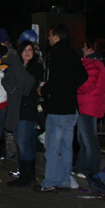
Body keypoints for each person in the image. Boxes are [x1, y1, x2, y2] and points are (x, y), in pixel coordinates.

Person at [37, 24, 88, 192]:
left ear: (56, 37)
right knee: (67, 147)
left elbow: (56, 80)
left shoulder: (57, 54)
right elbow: (83, 76)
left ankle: (50, 181)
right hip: (71, 107)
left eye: (50, 35)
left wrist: (45, 90)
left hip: (58, 107)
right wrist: (70, 87)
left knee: (52, 147)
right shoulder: (73, 54)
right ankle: (64, 179)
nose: (48, 38)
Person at [2, 40, 43, 186]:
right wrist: (15, 89)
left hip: (28, 110)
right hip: (16, 108)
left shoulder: (36, 67)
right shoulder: (16, 66)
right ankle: (27, 175)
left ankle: (26, 176)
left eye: (30, 50)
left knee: (24, 143)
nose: (27, 52)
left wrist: (18, 84)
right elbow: (6, 81)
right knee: (24, 143)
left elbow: (27, 85)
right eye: (25, 49)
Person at [74, 39, 105, 178]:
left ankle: (90, 168)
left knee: (88, 139)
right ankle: (82, 167)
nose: (82, 50)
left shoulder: (93, 64)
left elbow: (87, 85)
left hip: (88, 105)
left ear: (90, 49)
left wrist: (73, 87)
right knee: (84, 139)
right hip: (88, 104)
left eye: (84, 47)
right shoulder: (95, 63)